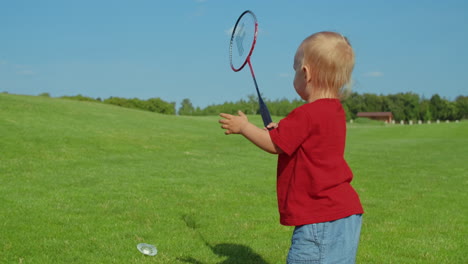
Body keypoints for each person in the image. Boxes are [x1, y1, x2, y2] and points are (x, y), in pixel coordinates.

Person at [219, 31, 364, 264]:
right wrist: (282, 129)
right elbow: (308, 140)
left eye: (295, 67)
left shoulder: (306, 113)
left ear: (305, 73)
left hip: (320, 218)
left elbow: (274, 144)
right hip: (346, 214)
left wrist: (244, 127)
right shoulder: (335, 111)